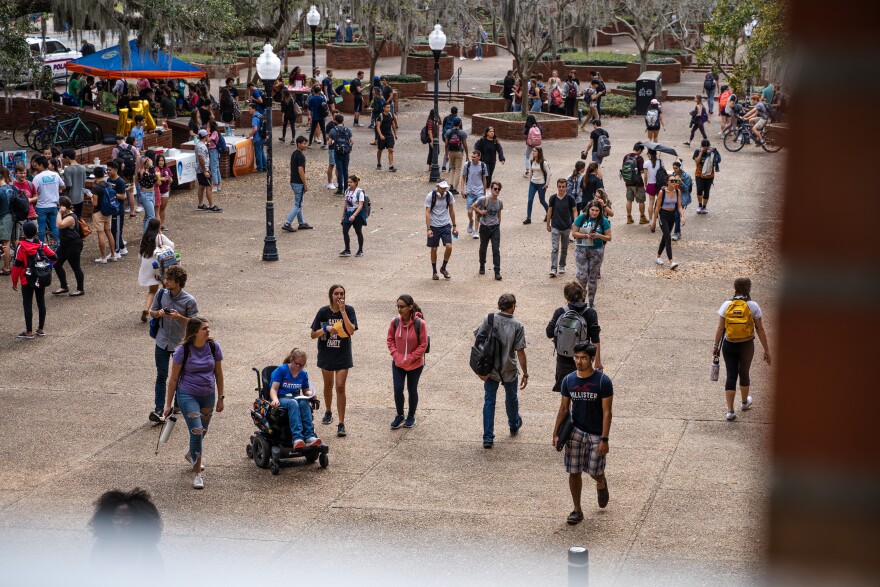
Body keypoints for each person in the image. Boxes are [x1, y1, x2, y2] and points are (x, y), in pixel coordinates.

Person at [552, 341, 613, 524]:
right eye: (576, 357)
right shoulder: (569, 380)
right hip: (575, 432)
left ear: (592, 359)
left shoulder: (602, 381)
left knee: (595, 471)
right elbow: (563, 408)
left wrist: (604, 438)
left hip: (595, 434)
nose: (579, 361)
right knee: (574, 471)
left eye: (583, 358)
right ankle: (577, 510)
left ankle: (601, 482)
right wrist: (555, 432)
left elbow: (607, 412)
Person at [163, 317, 224, 490]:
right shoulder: (183, 350)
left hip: (208, 395)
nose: (208, 331)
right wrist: (168, 404)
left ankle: (192, 454)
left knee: (202, 431)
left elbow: (219, 373)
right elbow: (173, 379)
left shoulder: (213, 347)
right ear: (195, 331)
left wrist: (221, 397)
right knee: (196, 432)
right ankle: (198, 474)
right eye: (204, 328)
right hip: (187, 395)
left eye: (208, 328)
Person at [712, 277, 771, 421]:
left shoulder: (727, 305)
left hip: (729, 344)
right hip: (746, 345)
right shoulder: (753, 306)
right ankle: (744, 403)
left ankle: (730, 411)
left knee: (731, 375)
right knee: (744, 372)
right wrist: (766, 350)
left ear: (735, 288)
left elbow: (721, 328)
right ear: (748, 289)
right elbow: (760, 329)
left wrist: (715, 345)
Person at [474, 293, 528, 449]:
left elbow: (477, 337)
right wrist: (525, 373)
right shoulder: (517, 325)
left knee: (489, 400)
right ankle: (514, 423)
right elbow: (520, 352)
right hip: (509, 368)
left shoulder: (489, 318)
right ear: (512, 306)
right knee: (511, 398)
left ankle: (488, 437)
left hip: (490, 368)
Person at [148, 265, 198, 423]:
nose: (165, 281)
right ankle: (159, 409)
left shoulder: (189, 300)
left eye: (169, 279)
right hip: (162, 341)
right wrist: (159, 313)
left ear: (178, 281)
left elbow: (195, 323)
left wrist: (179, 317)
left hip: (180, 343)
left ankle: (177, 404)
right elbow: (152, 312)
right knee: (161, 375)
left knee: (180, 376)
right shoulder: (161, 294)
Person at [310, 285, 358, 437]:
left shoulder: (349, 310)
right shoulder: (323, 312)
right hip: (327, 354)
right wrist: (325, 329)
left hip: (342, 354)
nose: (339, 296)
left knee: (340, 387)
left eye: (342, 294)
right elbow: (313, 334)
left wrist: (343, 312)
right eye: (336, 293)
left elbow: (351, 331)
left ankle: (342, 422)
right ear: (331, 295)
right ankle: (328, 411)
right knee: (328, 385)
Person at [546, 282, 603, 394]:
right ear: (582, 295)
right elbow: (595, 339)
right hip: (584, 358)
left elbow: (549, 333)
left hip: (563, 359)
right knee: (582, 392)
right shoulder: (590, 313)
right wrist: (597, 361)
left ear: (566, 297)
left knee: (566, 394)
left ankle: (568, 411)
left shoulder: (560, 312)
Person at [386, 295, 428, 429]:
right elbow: (390, 340)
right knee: (398, 389)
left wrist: (411, 357)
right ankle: (399, 415)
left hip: (415, 364)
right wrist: (396, 355)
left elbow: (423, 344)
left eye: (402, 307)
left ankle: (411, 416)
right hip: (398, 363)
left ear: (410, 307)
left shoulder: (420, 324)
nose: (399, 309)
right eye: (398, 306)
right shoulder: (395, 322)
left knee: (412, 389)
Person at [10, 221, 57, 339]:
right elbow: (54, 257)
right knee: (41, 302)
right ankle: (41, 328)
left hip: (26, 278)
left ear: (24, 233)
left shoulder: (21, 246)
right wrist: (48, 268)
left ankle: (29, 331)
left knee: (27, 303)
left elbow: (16, 266)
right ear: (36, 232)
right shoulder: (41, 245)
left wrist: (14, 281)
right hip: (40, 277)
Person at [269, 348, 322, 449]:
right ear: (292, 360)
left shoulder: (303, 374)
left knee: (304, 402)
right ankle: (297, 437)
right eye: (299, 365)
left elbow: (306, 390)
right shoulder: (281, 370)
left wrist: (311, 394)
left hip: (296, 397)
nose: (301, 367)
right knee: (293, 403)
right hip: (282, 397)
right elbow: (273, 389)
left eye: (303, 365)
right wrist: (274, 399)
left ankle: (309, 436)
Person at [572, 200, 612, 306]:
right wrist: (585, 235)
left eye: (597, 210)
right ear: (589, 209)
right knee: (582, 276)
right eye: (592, 210)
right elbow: (574, 232)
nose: (594, 213)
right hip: (581, 249)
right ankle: (580, 301)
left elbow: (609, 237)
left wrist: (599, 235)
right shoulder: (582, 217)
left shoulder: (603, 221)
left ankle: (591, 303)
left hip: (596, 251)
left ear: (600, 211)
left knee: (592, 278)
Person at [138, 218, 172, 323]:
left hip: (148, 266)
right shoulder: (160, 237)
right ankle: (164, 308)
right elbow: (171, 245)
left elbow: (140, 253)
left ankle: (146, 308)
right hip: (160, 266)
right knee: (166, 288)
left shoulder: (145, 238)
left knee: (152, 291)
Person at [425, 180, 459, 280]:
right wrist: (428, 228)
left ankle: (443, 268)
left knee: (449, 247)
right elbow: (427, 213)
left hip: (445, 225)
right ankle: (434, 271)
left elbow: (451, 210)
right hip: (434, 226)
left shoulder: (449, 195)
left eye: (445, 188)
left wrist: (454, 225)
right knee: (434, 248)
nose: (444, 190)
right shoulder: (431, 196)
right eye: (442, 188)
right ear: (437, 187)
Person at [52, 196, 84, 297]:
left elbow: (59, 225)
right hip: (64, 244)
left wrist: (59, 213)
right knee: (56, 263)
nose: (58, 207)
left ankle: (80, 289)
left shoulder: (70, 217)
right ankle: (64, 286)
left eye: (59, 205)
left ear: (63, 206)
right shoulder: (65, 214)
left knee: (76, 267)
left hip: (73, 244)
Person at [650, 175, 685, 270]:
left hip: (672, 216)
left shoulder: (677, 192)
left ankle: (658, 256)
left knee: (665, 236)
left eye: (675, 180)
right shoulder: (662, 192)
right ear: (667, 182)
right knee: (668, 237)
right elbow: (657, 207)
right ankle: (671, 261)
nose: (674, 182)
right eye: (672, 180)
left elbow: (679, 206)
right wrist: (654, 221)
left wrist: (682, 216)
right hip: (663, 216)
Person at [473, 180, 504, 280]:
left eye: (499, 189)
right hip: (484, 227)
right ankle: (482, 264)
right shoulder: (483, 199)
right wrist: (480, 211)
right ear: (491, 189)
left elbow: (499, 214)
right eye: (495, 189)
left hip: (495, 227)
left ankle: (497, 271)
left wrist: (498, 224)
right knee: (483, 248)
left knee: (496, 250)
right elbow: (473, 206)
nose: (497, 191)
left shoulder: (499, 202)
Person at [282, 136, 313, 233]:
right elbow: (301, 171)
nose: (305, 145)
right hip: (298, 183)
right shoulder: (301, 156)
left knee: (299, 203)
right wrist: (305, 184)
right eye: (304, 143)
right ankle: (287, 223)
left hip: (293, 181)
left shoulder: (294, 154)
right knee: (297, 205)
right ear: (298, 144)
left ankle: (301, 222)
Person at [89, 166, 119, 263]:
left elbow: (95, 203)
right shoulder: (108, 184)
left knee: (100, 234)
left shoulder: (96, 188)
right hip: (108, 211)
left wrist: (90, 196)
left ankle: (103, 257)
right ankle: (113, 255)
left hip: (98, 212)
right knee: (109, 233)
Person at [547, 178, 577, 278]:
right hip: (555, 226)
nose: (561, 189)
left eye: (563, 187)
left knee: (564, 248)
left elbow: (574, 211)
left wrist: (575, 223)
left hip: (566, 227)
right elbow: (550, 211)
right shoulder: (553, 198)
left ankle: (562, 265)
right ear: (557, 186)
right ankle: (553, 268)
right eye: (559, 186)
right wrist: (548, 223)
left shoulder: (570, 198)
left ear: (566, 187)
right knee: (555, 248)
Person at [31, 156, 64, 239]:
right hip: (53, 205)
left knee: (41, 227)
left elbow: (33, 191)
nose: (36, 167)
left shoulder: (37, 178)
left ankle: (41, 246)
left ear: (41, 165)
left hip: (41, 206)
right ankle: (57, 244)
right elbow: (63, 186)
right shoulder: (55, 175)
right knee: (54, 226)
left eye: (37, 165)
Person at [105, 162, 131, 259]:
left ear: (116, 170)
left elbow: (123, 196)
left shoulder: (120, 182)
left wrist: (112, 194)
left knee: (116, 230)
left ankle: (116, 251)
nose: (108, 171)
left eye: (110, 169)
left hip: (118, 210)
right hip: (111, 209)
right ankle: (122, 248)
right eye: (107, 169)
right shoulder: (108, 180)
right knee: (114, 229)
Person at [461, 150, 488, 239]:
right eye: (472, 157)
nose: (472, 158)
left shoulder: (483, 166)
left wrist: (484, 193)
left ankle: (476, 231)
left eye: (474, 157)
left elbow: (484, 179)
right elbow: (463, 177)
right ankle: (470, 221)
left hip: (479, 191)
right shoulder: (467, 165)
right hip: (469, 191)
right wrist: (462, 189)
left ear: (479, 157)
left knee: (477, 212)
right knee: (469, 211)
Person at [621, 143, 648, 225]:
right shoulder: (639, 158)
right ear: (639, 150)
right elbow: (642, 171)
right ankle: (642, 217)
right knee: (641, 201)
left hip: (628, 182)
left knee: (629, 200)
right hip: (638, 183)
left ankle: (629, 218)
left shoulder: (626, 156)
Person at [340, 175, 366, 257]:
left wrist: (354, 215)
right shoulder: (347, 191)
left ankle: (360, 250)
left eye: (351, 182)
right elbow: (346, 204)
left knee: (358, 231)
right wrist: (343, 215)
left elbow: (360, 205)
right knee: (345, 231)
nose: (349, 184)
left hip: (357, 214)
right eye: (348, 182)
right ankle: (347, 250)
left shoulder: (359, 192)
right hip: (348, 212)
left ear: (355, 183)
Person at [193, 130, 219, 212]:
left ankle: (200, 205)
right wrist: (205, 171)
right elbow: (201, 158)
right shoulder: (201, 146)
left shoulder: (199, 145)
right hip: (203, 170)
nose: (209, 137)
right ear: (205, 136)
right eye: (208, 136)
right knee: (209, 187)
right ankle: (211, 206)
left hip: (200, 169)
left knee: (201, 186)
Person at [693, 139, 721, 214]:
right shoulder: (697, 151)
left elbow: (717, 161)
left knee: (706, 191)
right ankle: (699, 205)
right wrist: (701, 152)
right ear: (701, 146)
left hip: (709, 175)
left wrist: (713, 153)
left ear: (709, 146)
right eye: (703, 147)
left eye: (706, 147)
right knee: (699, 189)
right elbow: (696, 161)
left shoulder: (712, 152)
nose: (705, 149)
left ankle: (704, 207)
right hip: (699, 174)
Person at [524, 146, 550, 225]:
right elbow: (531, 172)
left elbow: (549, 173)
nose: (533, 152)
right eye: (533, 151)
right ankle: (528, 218)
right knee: (530, 200)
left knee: (542, 200)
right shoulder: (532, 161)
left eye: (535, 151)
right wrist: (530, 182)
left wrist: (547, 184)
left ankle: (549, 213)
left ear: (539, 153)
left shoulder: (543, 163)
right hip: (533, 183)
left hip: (541, 183)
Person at [328, 114, 353, 194]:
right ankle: (346, 188)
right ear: (343, 121)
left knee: (339, 170)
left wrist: (333, 141)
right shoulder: (347, 130)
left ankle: (340, 189)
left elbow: (329, 142)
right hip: (346, 152)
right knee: (346, 170)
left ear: (335, 121)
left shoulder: (333, 130)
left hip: (337, 152)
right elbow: (352, 141)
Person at [137, 154, 160, 229]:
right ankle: (147, 236)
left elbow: (154, 180)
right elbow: (152, 179)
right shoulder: (142, 172)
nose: (149, 162)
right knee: (151, 217)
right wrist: (152, 166)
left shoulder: (147, 171)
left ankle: (145, 235)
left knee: (147, 216)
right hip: (146, 194)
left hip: (151, 193)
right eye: (148, 161)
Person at [671, 160, 692, 241]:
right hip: (674, 197)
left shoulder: (687, 177)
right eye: (673, 168)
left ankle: (676, 233)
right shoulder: (673, 175)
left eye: (676, 168)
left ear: (680, 168)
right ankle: (678, 232)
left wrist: (680, 181)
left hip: (682, 198)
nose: (674, 170)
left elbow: (686, 189)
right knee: (675, 215)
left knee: (677, 214)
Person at [61, 150, 86, 217]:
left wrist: (62, 188)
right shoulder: (83, 168)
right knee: (78, 217)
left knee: (70, 217)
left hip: (71, 198)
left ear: (67, 157)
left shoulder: (68, 169)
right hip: (81, 197)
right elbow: (84, 182)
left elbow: (69, 185)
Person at [643, 148, 665, 223]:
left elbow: (645, 176)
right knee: (660, 202)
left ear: (649, 154)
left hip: (651, 184)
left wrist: (645, 184)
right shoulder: (661, 161)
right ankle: (659, 218)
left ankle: (650, 220)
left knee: (651, 202)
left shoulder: (646, 163)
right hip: (660, 184)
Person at [444, 117, 467, 189]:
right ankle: (455, 187)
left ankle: (450, 184)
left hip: (451, 152)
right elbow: (465, 144)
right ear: (460, 123)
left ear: (453, 123)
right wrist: (467, 154)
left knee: (452, 168)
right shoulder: (462, 132)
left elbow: (446, 145)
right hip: (459, 152)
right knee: (458, 169)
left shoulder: (448, 132)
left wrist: (446, 155)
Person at [0, 168, 15, 276]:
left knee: (5, 243)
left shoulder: (0, 191)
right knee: (13, 241)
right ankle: (14, 265)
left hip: (4, 217)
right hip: (13, 217)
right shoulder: (11, 188)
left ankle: (6, 268)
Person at [374, 102, 397, 172]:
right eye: (387, 107)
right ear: (383, 108)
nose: (388, 108)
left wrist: (395, 134)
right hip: (382, 136)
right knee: (380, 150)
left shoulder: (390, 115)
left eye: (389, 107)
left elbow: (393, 124)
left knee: (390, 149)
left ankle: (391, 166)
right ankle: (378, 163)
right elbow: (377, 127)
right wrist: (380, 135)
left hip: (389, 135)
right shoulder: (380, 116)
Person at [247, 103, 267, 173]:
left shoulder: (255, 118)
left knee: (258, 153)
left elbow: (255, 129)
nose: (249, 110)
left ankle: (259, 168)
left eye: (250, 109)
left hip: (257, 137)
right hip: (262, 136)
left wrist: (250, 135)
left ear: (254, 109)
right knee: (261, 152)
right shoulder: (260, 115)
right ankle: (265, 166)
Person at [155, 155, 172, 230]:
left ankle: (161, 224)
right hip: (157, 190)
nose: (161, 162)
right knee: (156, 209)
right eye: (159, 160)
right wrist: (161, 179)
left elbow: (171, 179)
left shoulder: (167, 169)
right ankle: (156, 225)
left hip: (165, 190)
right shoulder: (155, 169)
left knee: (163, 208)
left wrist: (169, 179)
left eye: (162, 160)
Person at [207, 119, 223, 194]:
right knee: (216, 167)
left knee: (214, 168)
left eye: (208, 125)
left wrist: (207, 132)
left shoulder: (214, 132)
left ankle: (215, 184)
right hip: (213, 150)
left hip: (214, 150)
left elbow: (209, 140)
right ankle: (219, 183)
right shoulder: (215, 132)